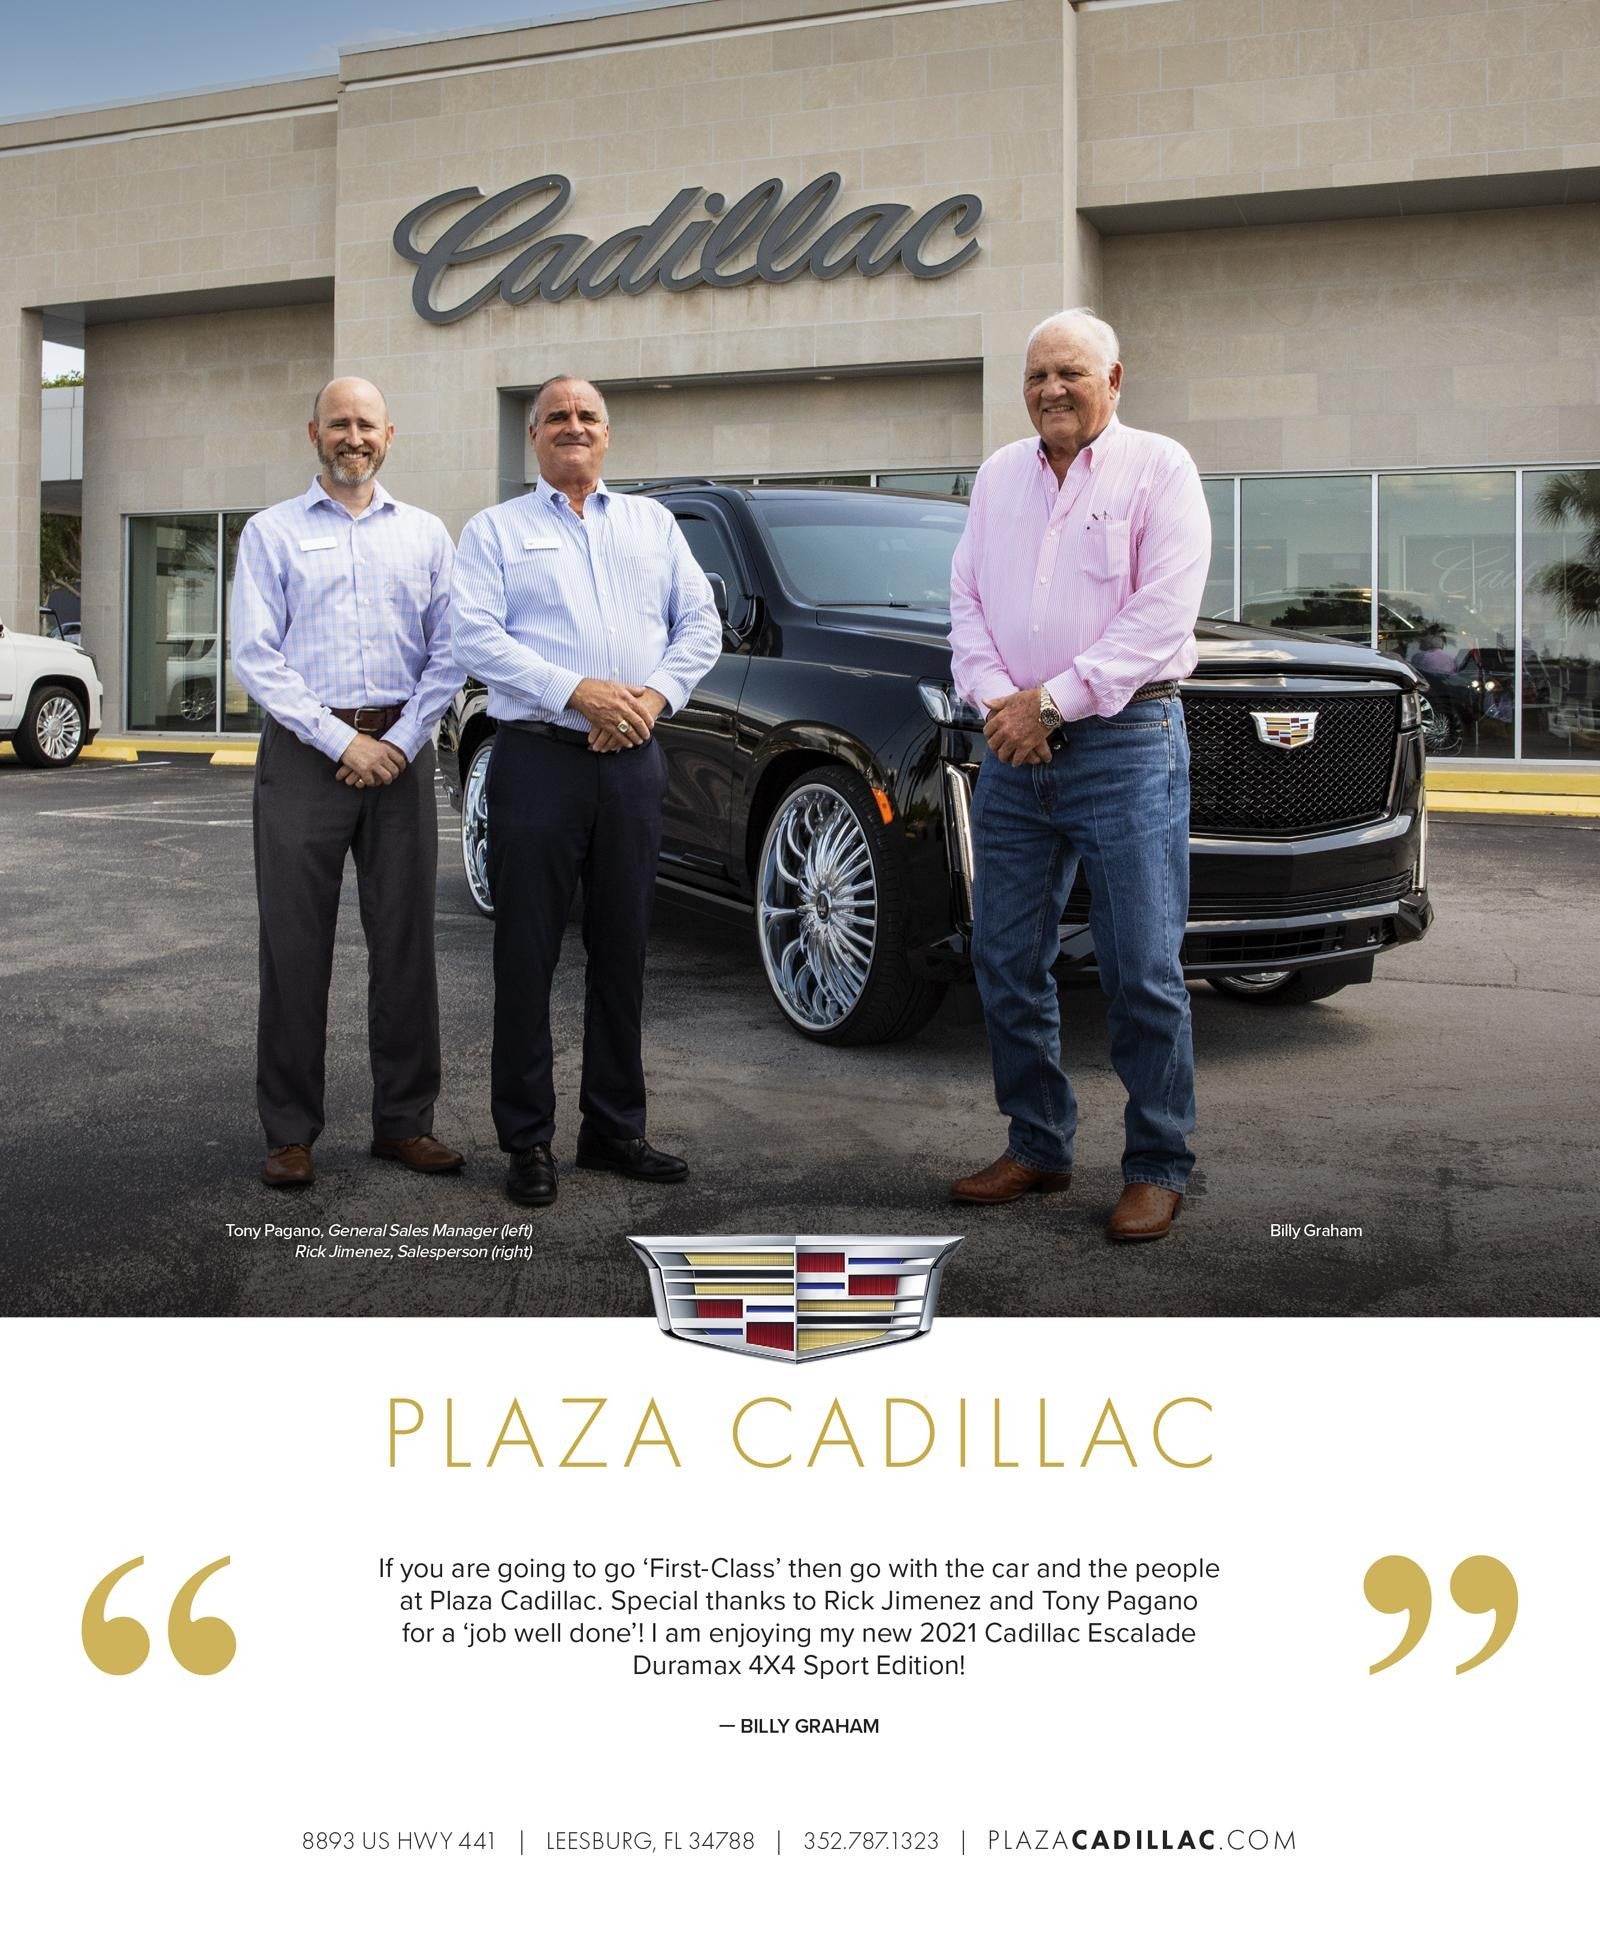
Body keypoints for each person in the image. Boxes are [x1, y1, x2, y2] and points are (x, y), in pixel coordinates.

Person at [947, 308, 1211, 1242]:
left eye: (1069, 372)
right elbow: (967, 602)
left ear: (1115, 377)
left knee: (1141, 966)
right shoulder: (997, 478)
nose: (1050, 389)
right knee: (1005, 958)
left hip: (1127, 742)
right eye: (1035, 377)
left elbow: (1160, 616)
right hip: (1015, 751)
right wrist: (1000, 706)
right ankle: (1039, 1144)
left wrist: (1050, 702)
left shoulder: (1161, 470)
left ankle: (1158, 1164)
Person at [449, 376, 721, 1208]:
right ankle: (526, 1139)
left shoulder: (652, 524)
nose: (574, 427)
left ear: (608, 435)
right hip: (538, 757)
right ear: (534, 437)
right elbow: (474, 635)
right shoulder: (496, 530)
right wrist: (578, 692)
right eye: (557, 417)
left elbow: (699, 624)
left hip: (633, 759)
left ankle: (613, 1128)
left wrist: (646, 700)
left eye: (588, 417)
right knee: (526, 953)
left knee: (623, 950)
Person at [230, 376, 463, 1188]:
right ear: (313, 434)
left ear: (389, 436)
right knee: (294, 948)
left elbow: (451, 650)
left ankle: (405, 1123)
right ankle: (290, 1133)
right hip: (305, 752)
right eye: (339, 424)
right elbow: (257, 656)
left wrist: (396, 740)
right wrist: (341, 739)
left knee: (406, 947)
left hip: (401, 752)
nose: (352, 437)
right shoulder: (271, 533)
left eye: (366, 424)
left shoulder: (428, 535)